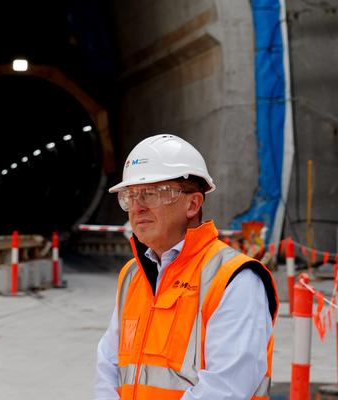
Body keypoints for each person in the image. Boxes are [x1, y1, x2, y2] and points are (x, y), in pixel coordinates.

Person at [93, 134, 279, 400]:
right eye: (130, 196)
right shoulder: (133, 274)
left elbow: (227, 387)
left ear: (193, 204)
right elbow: (108, 364)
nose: (137, 207)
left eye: (152, 194)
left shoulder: (234, 278)